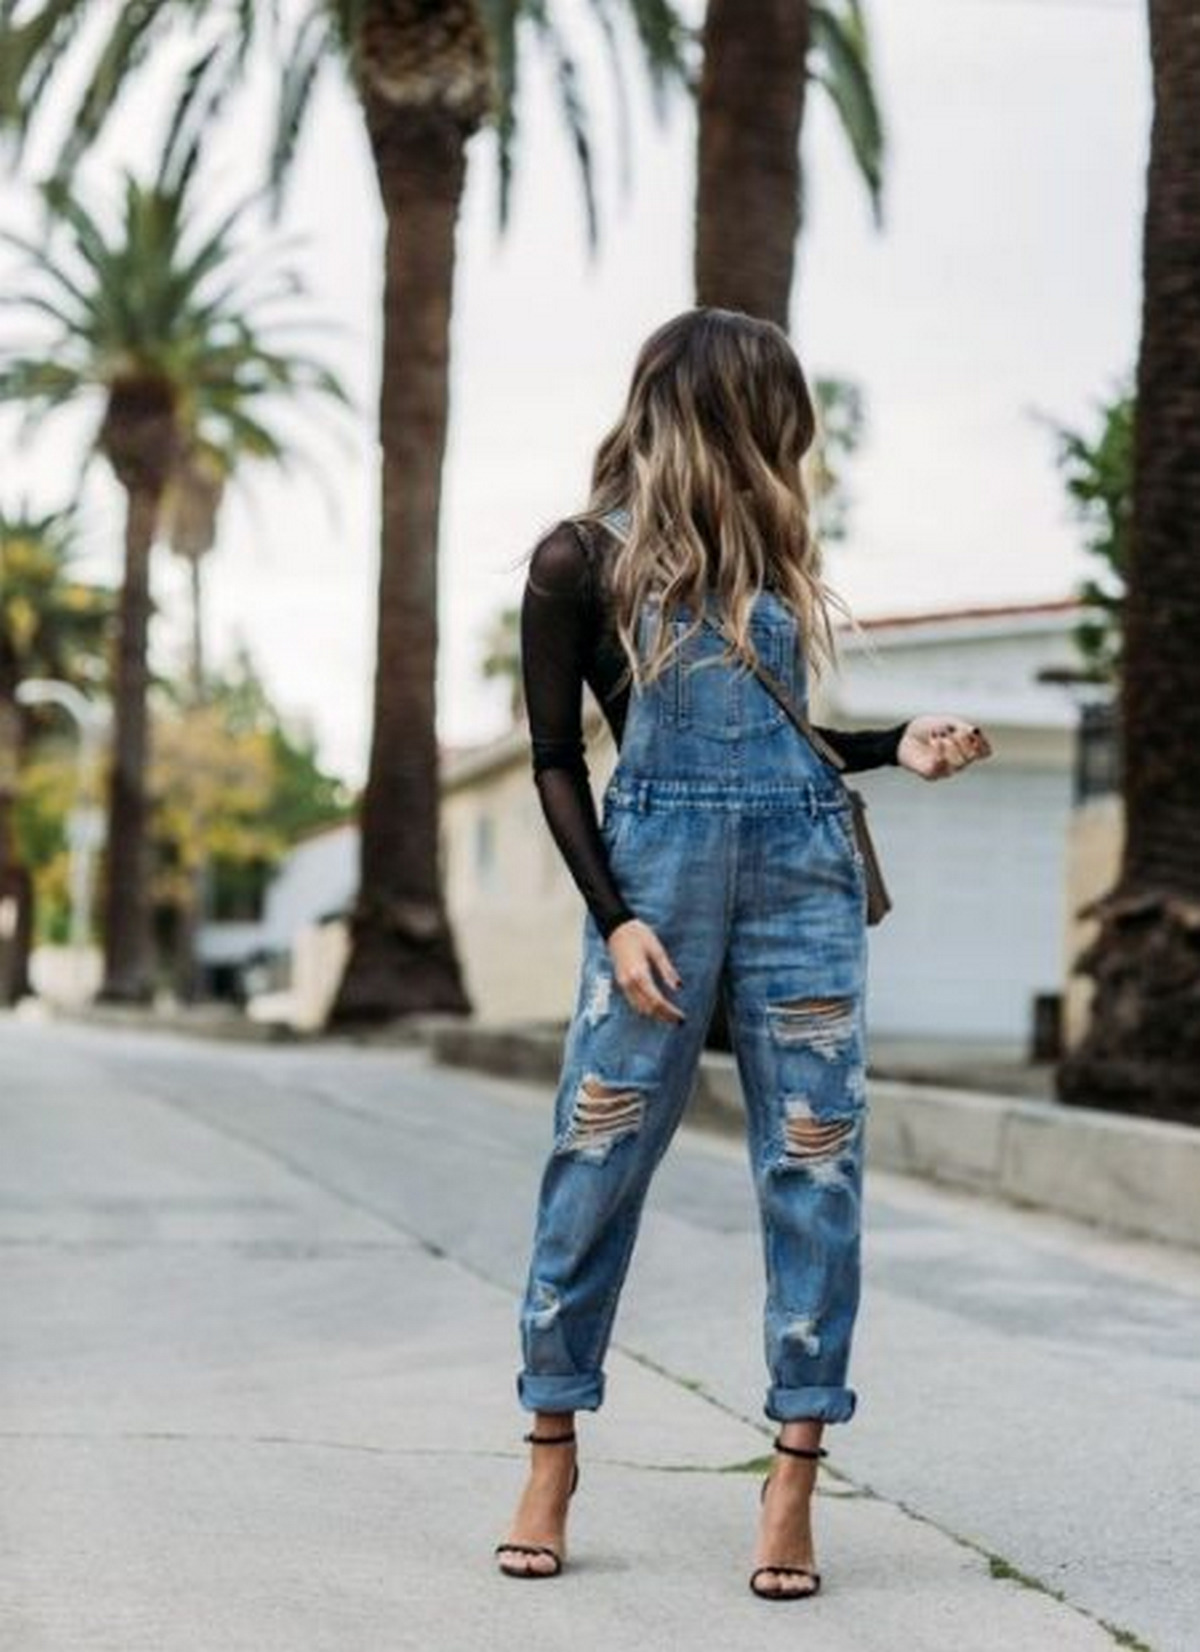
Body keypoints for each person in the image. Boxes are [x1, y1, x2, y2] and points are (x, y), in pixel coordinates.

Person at [494, 307, 992, 1598]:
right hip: (651, 884)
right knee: (594, 1156)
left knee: (813, 1167)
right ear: (724, 407)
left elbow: (790, 745)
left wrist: (898, 746)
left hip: (802, 880)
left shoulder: (769, 567)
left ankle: (792, 1477)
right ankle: (551, 1446)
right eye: (779, 410)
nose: (792, 438)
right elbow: (559, 761)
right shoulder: (576, 558)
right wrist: (617, 918)